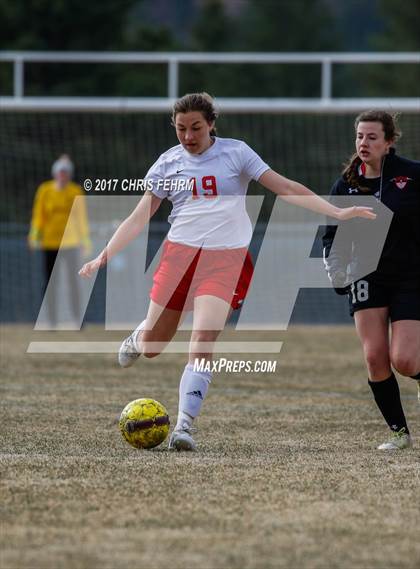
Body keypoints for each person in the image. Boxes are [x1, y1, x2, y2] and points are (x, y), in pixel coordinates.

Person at [79, 92, 375, 452]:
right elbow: (140, 216)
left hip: (224, 261)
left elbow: (285, 187)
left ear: (211, 124)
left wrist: (337, 212)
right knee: (155, 345)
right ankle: (140, 336)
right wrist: (103, 256)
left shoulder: (237, 153)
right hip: (178, 258)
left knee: (203, 341)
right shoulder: (167, 163)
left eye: (196, 128)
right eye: (181, 129)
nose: (188, 136)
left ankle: (184, 427)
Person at [323, 110, 420, 451]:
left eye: (372, 137)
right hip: (365, 277)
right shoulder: (347, 184)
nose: (364, 143)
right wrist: (336, 269)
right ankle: (399, 433)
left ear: (389, 142)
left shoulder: (412, 175)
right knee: (375, 357)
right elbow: (331, 236)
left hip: (410, 276)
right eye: (360, 136)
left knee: (406, 360)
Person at [29, 154, 91, 327]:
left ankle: (78, 319)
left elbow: (81, 218)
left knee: (74, 282)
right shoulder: (45, 190)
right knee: (50, 283)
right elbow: (38, 216)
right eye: (60, 172)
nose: (63, 175)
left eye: (66, 172)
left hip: (70, 244)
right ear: (55, 173)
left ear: (69, 174)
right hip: (50, 243)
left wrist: (85, 241)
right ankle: (51, 320)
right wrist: (34, 236)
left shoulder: (75, 191)